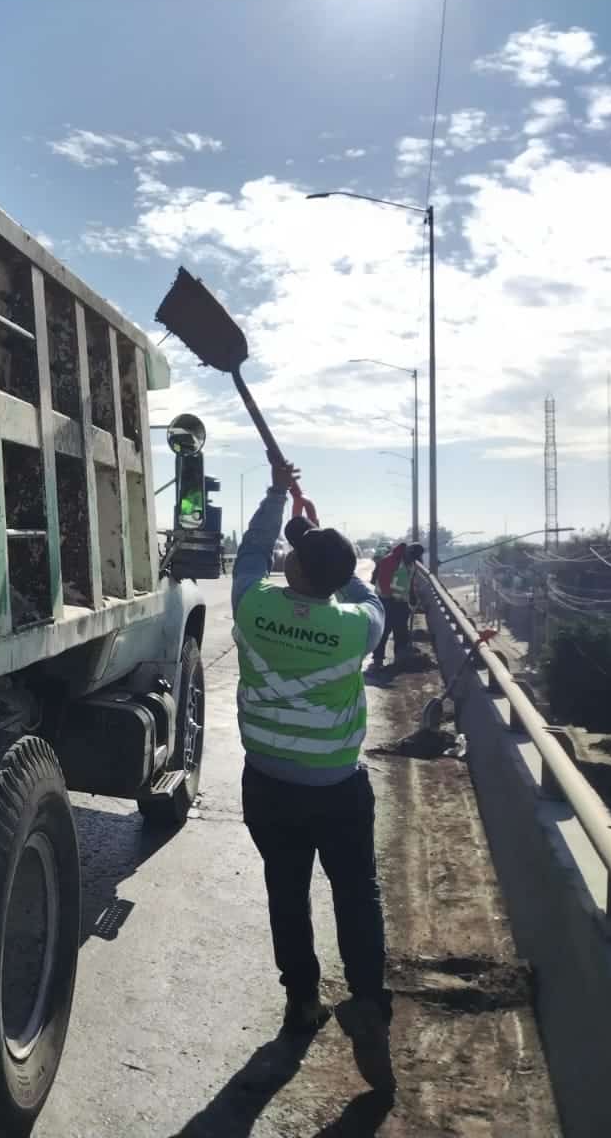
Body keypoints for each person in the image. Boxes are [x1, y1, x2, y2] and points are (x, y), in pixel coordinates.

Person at [232, 457, 395, 1093]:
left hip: (269, 786)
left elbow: (250, 554)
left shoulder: (253, 608)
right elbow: (368, 595)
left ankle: (302, 1000)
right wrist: (320, 550)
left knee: (286, 889)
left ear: (291, 569)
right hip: (337, 789)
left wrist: (278, 497)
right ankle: (369, 1005)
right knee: (358, 893)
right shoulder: (355, 626)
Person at [371, 542, 422, 669]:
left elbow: (409, 581)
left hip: (401, 603)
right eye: (411, 556)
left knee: (401, 632)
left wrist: (412, 597)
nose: (412, 559)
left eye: (415, 558)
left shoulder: (412, 564)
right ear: (407, 552)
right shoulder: (390, 560)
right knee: (384, 631)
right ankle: (377, 660)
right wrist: (389, 596)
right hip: (386, 601)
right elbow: (383, 580)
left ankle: (400, 659)